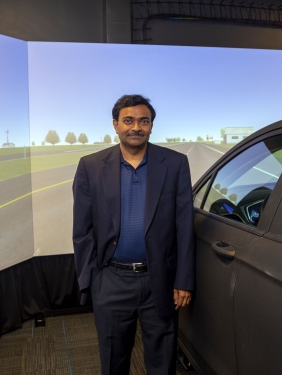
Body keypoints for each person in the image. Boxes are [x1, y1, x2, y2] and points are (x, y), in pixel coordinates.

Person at [72, 94, 195, 375]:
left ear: (152, 126)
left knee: (162, 363)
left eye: (143, 121)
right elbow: (82, 231)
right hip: (111, 281)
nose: (136, 127)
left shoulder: (175, 164)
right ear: (115, 125)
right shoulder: (90, 167)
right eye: (128, 120)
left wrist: (183, 281)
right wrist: (92, 281)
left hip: (160, 282)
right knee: (114, 362)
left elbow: (184, 225)